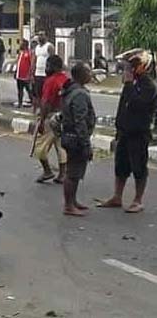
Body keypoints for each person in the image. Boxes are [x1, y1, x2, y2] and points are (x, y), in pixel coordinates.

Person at [98, 49, 157, 213]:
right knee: (121, 165)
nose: (128, 70)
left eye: (132, 66)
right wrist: (118, 126)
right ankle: (117, 196)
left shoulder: (148, 86)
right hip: (125, 131)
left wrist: (129, 84)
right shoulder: (130, 83)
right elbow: (123, 105)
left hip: (139, 133)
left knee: (139, 166)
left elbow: (138, 105)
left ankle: (138, 200)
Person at [60, 62, 96, 217]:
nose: (91, 74)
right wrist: (85, 143)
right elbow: (79, 120)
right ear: (80, 75)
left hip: (69, 136)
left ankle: (73, 201)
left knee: (74, 171)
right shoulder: (79, 94)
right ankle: (69, 205)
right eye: (88, 71)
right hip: (76, 138)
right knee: (73, 173)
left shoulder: (72, 90)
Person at [33, 55, 68, 183]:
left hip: (50, 116)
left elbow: (46, 102)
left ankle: (47, 171)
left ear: (55, 67)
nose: (46, 68)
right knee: (61, 146)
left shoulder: (50, 81)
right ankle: (62, 174)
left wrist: (42, 120)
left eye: (48, 66)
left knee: (39, 146)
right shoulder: (65, 79)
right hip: (63, 117)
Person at [31, 33, 55, 114]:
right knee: (38, 93)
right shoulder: (37, 48)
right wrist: (32, 73)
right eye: (39, 35)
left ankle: (47, 109)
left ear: (46, 37)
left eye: (42, 35)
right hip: (38, 74)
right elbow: (34, 61)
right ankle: (39, 109)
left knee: (47, 93)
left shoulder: (49, 46)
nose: (41, 36)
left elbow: (53, 59)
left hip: (46, 74)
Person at [15, 39, 33, 108]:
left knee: (29, 90)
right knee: (20, 90)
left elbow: (31, 64)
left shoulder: (29, 53)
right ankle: (20, 103)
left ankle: (33, 103)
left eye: (21, 44)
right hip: (19, 75)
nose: (20, 45)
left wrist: (30, 74)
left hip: (26, 76)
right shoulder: (20, 53)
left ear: (25, 45)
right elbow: (18, 63)